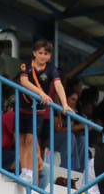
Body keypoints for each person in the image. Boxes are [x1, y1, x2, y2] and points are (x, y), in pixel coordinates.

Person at [17, 39, 69, 184]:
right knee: (21, 139)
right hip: (23, 106)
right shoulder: (26, 64)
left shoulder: (51, 69)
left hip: (38, 109)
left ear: (50, 56)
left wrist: (65, 104)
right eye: (40, 52)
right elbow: (24, 82)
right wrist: (41, 93)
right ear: (34, 53)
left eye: (45, 53)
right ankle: (23, 169)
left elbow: (58, 85)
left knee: (31, 139)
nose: (42, 56)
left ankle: (28, 172)